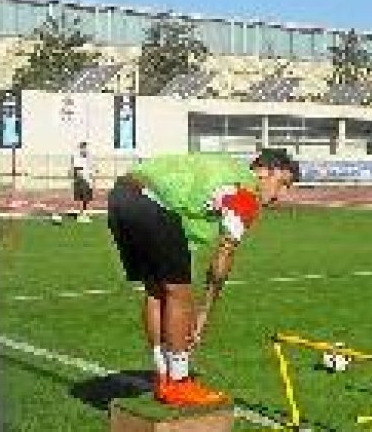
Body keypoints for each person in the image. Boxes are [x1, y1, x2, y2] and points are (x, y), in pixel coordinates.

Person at [106, 148, 299, 407]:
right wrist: (204, 313)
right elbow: (224, 255)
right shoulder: (245, 192)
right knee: (179, 293)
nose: (281, 195)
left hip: (120, 197)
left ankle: (164, 376)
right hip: (150, 203)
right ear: (264, 171)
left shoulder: (225, 168)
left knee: (156, 291)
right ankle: (179, 382)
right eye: (283, 184)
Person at [71, 142, 94, 222]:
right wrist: (81, 177)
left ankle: (84, 213)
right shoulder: (76, 156)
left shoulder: (89, 156)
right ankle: (81, 215)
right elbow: (76, 168)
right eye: (83, 147)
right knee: (81, 198)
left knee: (87, 199)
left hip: (88, 180)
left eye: (85, 147)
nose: (84, 149)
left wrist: (91, 176)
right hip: (81, 179)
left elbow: (91, 167)